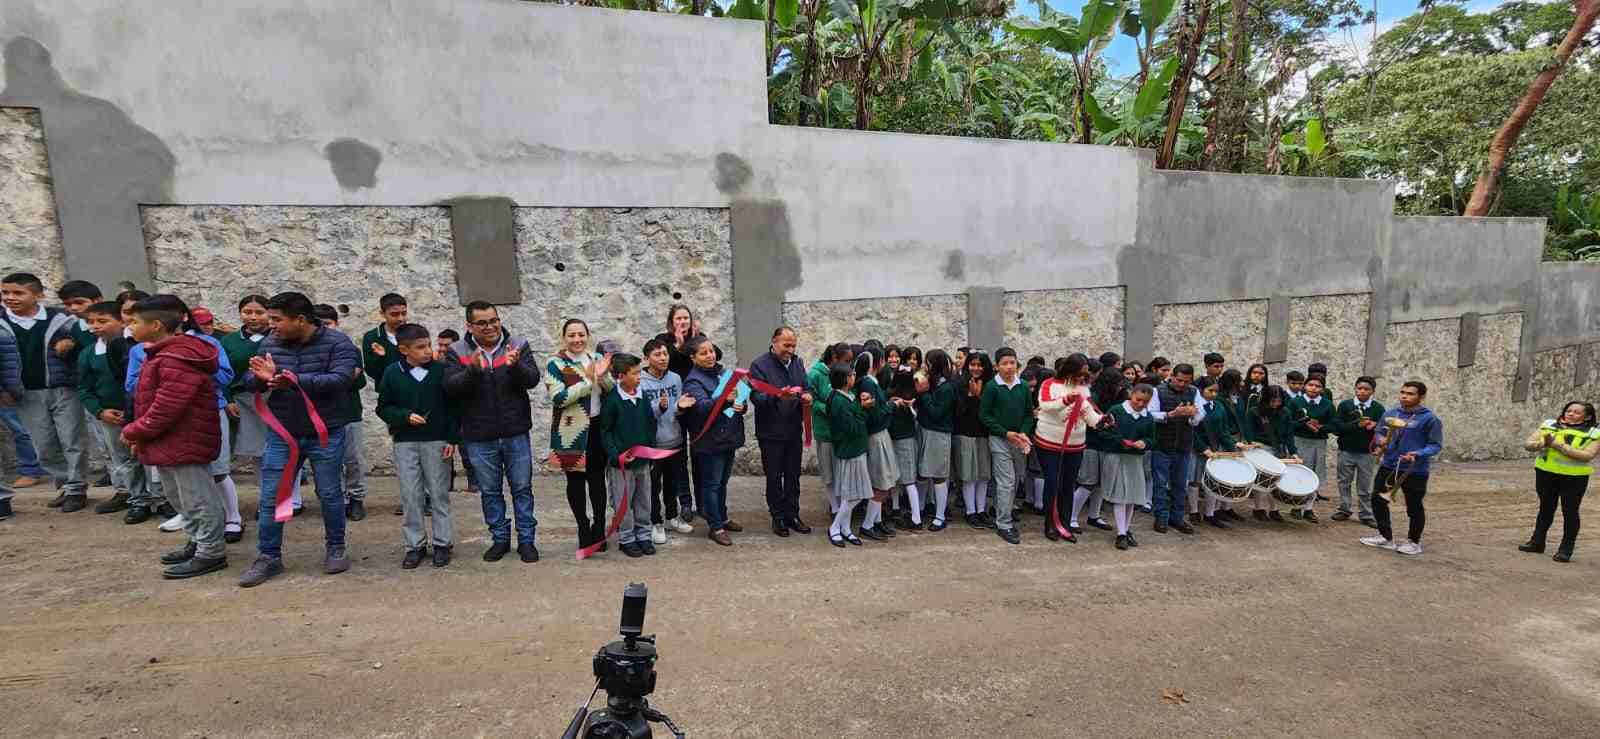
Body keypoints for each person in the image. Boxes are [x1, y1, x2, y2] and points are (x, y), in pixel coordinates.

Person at [237, 292, 362, 588]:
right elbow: (251, 378)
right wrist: (259, 378)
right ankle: (269, 557)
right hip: (282, 432)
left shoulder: (338, 343)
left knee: (330, 494)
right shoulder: (271, 341)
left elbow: (340, 381)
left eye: (277, 319)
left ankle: (336, 548)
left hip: (326, 432)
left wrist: (288, 377)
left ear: (301, 320)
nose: (271, 325)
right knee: (271, 497)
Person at [120, 297, 228, 579]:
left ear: (155, 326)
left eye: (134, 322)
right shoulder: (163, 354)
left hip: (184, 439)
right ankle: (197, 541)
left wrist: (134, 430)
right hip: (168, 440)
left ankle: (211, 551)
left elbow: (167, 407)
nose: (129, 326)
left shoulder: (177, 359)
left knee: (197, 498)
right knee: (179, 497)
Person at [444, 301, 543, 564]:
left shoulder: (517, 345)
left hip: (515, 431)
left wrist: (516, 366)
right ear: (469, 325)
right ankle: (499, 539)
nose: (490, 326)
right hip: (478, 435)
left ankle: (526, 541)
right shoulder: (457, 350)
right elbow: (450, 388)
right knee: (490, 491)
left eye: (493, 320)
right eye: (482, 322)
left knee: (522, 488)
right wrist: (472, 371)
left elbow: (532, 379)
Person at [0, 272, 91, 511]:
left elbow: (89, 340)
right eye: (5, 292)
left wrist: (72, 344)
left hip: (64, 389)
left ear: (38, 295)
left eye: (18, 293)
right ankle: (64, 483)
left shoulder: (62, 318)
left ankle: (76, 489)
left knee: (72, 439)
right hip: (25, 393)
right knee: (43, 445)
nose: (10, 298)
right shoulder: (1, 321)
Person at [376, 323, 457, 569]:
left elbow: (453, 408)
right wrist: (403, 416)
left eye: (428, 345)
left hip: (436, 440)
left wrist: (452, 439)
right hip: (405, 442)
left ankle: (443, 543)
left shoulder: (440, 371)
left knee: (439, 492)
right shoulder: (392, 373)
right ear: (403, 350)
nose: (427, 351)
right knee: (411, 494)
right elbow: (383, 407)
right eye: (420, 347)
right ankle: (415, 545)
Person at [545, 318, 613, 552]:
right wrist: (589, 378)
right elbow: (559, 398)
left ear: (588, 335)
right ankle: (583, 526)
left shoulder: (596, 359)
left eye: (581, 335)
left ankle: (599, 528)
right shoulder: (555, 363)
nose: (577, 339)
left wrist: (603, 376)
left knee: (597, 481)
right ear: (564, 338)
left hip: (597, 428)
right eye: (572, 335)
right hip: (570, 431)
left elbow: (611, 389)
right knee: (575, 482)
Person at [1360, 381, 1443, 557]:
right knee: (1377, 499)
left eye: (1410, 393)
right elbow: (1378, 432)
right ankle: (1385, 537)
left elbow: (1435, 445)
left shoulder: (1429, 419)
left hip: (1414, 470)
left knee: (1414, 506)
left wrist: (1418, 453)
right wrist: (1380, 439)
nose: (1404, 396)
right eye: (1403, 392)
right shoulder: (1391, 413)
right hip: (1389, 464)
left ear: (1421, 397)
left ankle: (1414, 542)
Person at [680, 336, 747, 546]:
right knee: (711, 484)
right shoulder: (693, 381)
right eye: (703, 353)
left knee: (723, 483)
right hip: (709, 440)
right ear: (693, 357)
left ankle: (723, 517)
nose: (710, 356)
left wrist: (740, 405)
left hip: (728, 436)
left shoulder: (723, 373)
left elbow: (739, 399)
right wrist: (723, 398)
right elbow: (700, 409)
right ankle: (715, 527)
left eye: (711, 351)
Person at [748, 326, 813, 537]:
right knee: (774, 477)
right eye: (786, 345)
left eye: (793, 345)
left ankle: (793, 514)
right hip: (771, 432)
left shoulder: (798, 362)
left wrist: (808, 396)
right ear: (774, 342)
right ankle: (777, 517)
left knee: (793, 476)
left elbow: (806, 386)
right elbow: (756, 398)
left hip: (794, 428)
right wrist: (777, 396)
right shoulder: (759, 365)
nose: (790, 350)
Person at [76, 302, 138, 516]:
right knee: (118, 457)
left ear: (122, 321)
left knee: (145, 458)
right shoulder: (88, 353)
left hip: (138, 412)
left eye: (102, 321)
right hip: (110, 416)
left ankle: (158, 497)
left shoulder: (135, 347)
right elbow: (84, 388)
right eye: (90, 322)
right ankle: (128, 494)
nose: (95, 326)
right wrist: (100, 411)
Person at [598, 353, 662, 558]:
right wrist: (616, 456)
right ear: (621, 377)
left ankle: (643, 535)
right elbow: (605, 432)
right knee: (623, 503)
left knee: (644, 500)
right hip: (622, 465)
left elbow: (650, 423)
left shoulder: (642, 396)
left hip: (643, 460)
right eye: (635, 373)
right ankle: (626, 538)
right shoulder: (612, 401)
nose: (639, 377)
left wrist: (651, 450)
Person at [1034, 353, 1102, 543]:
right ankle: (1050, 524)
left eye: (1085, 373)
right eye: (1080, 373)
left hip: (1075, 445)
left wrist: (1101, 422)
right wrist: (1066, 400)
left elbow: (1088, 413)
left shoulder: (1083, 389)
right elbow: (1045, 405)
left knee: (1068, 484)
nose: (1083, 377)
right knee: (1053, 482)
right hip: (1049, 443)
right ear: (1069, 370)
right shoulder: (1049, 384)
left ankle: (1064, 524)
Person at [1520, 402, 1598, 563]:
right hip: (1545, 473)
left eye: (1576, 412)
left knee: (1570, 512)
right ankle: (1537, 542)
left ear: (1588, 416)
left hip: (1574, 478)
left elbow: (1587, 455)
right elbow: (1528, 444)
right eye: (1569, 410)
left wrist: (1559, 446)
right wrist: (1543, 443)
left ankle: (1566, 549)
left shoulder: (1594, 433)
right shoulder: (1549, 425)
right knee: (1546, 508)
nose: (1570, 414)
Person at [312, 305, 369, 521]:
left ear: (337, 324)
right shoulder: (310, 350)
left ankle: (356, 498)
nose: (324, 329)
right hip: (321, 415)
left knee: (353, 459)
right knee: (326, 460)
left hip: (349, 411)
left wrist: (343, 378)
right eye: (319, 325)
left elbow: (359, 380)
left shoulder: (350, 349)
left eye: (328, 324)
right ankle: (335, 499)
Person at [59, 280, 111, 488]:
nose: (73, 308)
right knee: (101, 436)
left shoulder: (112, 326)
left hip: (112, 389)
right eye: (68, 304)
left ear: (97, 300)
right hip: (93, 391)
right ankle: (113, 472)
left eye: (79, 302)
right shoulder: (76, 328)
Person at [639, 338, 692, 542]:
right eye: (657, 355)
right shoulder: (641, 381)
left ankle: (672, 516)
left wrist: (681, 408)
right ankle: (656, 522)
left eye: (665, 354)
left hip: (674, 438)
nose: (663, 358)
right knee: (653, 485)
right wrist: (658, 408)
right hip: (652, 444)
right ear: (647, 358)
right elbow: (641, 414)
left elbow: (676, 407)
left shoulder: (675, 379)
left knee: (673, 482)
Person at [981, 348, 1034, 545]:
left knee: (1017, 477)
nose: (1009, 367)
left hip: (1019, 439)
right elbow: (985, 416)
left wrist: (1023, 432)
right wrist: (1005, 433)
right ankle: (1004, 524)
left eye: (1012, 362)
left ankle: (1001, 508)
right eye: (1004, 363)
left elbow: (1029, 414)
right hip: (1000, 439)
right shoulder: (992, 387)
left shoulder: (1022, 387)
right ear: (997, 366)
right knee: (1006, 481)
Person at [1070, 365, 1127, 533]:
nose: (1121, 388)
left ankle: (1094, 516)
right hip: (1091, 444)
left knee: (1101, 484)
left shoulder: (1117, 399)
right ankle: (1071, 517)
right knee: (1088, 482)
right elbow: (1086, 421)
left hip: (1106, 445)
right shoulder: (1092, 397)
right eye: (1118, 384)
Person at [1149, 363, 1203, 535]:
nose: (1182, 384)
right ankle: (1161, 517)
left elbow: (1200, 414)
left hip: (1184, 444)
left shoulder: (1194, 392)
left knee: (1181, 485)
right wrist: (1171, 414)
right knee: (1161, 484)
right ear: (1172, 376)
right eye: (1179, 380)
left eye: (1186, 381)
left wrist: (1193, 414)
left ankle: (1177, 518)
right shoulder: (1158, 390)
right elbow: (1150, 414)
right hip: (1162, 444)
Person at [1104, 384, 1156, 550]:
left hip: (1135, 459)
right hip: (1118, 456)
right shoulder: (1117, 410)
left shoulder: (1148, 417)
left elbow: (1153, 438)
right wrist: (1121, 442)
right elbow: (1103, 432)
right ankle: (1121, 533)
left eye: (1145, 402)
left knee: (1132, 496)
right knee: (1121, 496)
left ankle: (1125, 530)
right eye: (1138, 399)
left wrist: (1145, 443)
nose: (1141, 404)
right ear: (1131, 395)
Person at [824, 362, 869, 547]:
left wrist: (859, 408)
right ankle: (835, 527)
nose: (853, 378)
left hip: (855, 449)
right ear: (843, 379)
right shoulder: (838, 401)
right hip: (850, 451)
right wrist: (864, 410)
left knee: (849, 494)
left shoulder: (847, 396)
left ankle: (846, 528)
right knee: (855, 495)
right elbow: (852, 428)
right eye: (851, 375)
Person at [855, 349, 898, 541]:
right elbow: (874, 414)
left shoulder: (870, 382)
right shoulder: (867, 383)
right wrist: (891, 406)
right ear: (878, 362)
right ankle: (867, 525)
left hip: (881, 435)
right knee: (881, 483)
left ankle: (877, 521)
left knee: (884, 482)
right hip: (876, 436)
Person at [807, 342, 854, 515]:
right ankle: (834, 507)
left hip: (841, 430)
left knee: (841, 469)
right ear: (834, 358)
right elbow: (810, 400)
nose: (849, 365)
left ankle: (842, 504)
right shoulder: (815, 375)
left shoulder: (843, 373)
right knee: (828, 471)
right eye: (846, 360)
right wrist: (828, 408)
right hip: (825, 429)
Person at [1332, 376, 1383, 526]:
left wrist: (1375, 426)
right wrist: (1357, 425)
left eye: (1366, 389)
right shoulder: (1345, 405)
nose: (1362, 391)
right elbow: (1337, 428)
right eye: (1359, 388)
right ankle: (1344, 509)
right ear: (1355, 389)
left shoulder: (1378, 408)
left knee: (1365, 485)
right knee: (1344, 482)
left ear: (1373, 391)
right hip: (1346, 450)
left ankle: (1366, 514)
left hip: (1367, 453)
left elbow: (1384, 429)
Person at [916, 349, 956, 531]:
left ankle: (940, 516)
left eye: (928, 363)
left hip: (938, 434)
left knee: (939, 475)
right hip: (925, 431)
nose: (925, 366)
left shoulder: (946, 387)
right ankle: (921, 508)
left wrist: (924, 394)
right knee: (923, 472)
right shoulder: (932, 383)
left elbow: (937, 413)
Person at [1244, 385, 1297, 522]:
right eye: (1272, 401)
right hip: (1260, 450)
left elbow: (1289, 434)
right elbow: (1248, 431)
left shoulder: (1285, 413)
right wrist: (1252, 443)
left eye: (1278, 401)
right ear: (1266, 399)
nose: (1275, 404)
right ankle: (1258, 508)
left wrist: (1293, 452)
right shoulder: (1254, 412)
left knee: (1277, 481)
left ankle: (1274, 509)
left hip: (1279, 449)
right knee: (1262, 481)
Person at [1193, 376, 1240, 528]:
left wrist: (1233, 448)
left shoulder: (1218, 405)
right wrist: (1203, 448)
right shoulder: (1195, 406)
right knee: (1195, 480)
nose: (1214, 394)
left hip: (1215, 448)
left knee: (1213, 482)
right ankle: (1193, 511)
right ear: (1200, 390)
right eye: (1210, 391)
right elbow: (1191, 431)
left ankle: (1210, 513)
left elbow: (1224, 431)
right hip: (1197, 448)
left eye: (1216, 391)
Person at [1288, 374, 1335, 522]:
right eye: (1310, 385)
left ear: (1322, 389)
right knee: (1299, 473)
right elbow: (1288, 423)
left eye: (1318, 386)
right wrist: (1303, 424)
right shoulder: (1296, 402)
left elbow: (1334, 425)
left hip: (1318, 442)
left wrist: (1320, 427)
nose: (1314, 388)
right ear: (1305, 386)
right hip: (1299, 441)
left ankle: (1308, 508)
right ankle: (1296, 506)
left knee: (1314, 474)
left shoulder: (1327, 404)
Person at [434, 328, 473, 495]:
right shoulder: (434, 364)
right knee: (444, 450)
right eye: (440, 345)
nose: (442, 349)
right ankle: (447, 482)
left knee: (467, 449)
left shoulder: (463, 361)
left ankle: (474, 481)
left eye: (446, 345)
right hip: (443, 412)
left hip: (464, 410)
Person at [887, 366, 923, 530]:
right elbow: (918, 418)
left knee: (896, 478)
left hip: (892, 439)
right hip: (907, 440)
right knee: (908, 480)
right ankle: (915, 517)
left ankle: (897, 509)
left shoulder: (890, 396)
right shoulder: (913, 396)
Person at [361, 293, 409, 387]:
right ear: (382, 314)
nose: (401, 318)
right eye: (394, 314)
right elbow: (370, 371)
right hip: (387, 391)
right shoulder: (372, 337)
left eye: (404, 313)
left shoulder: (414, 333)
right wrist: (380, 357)